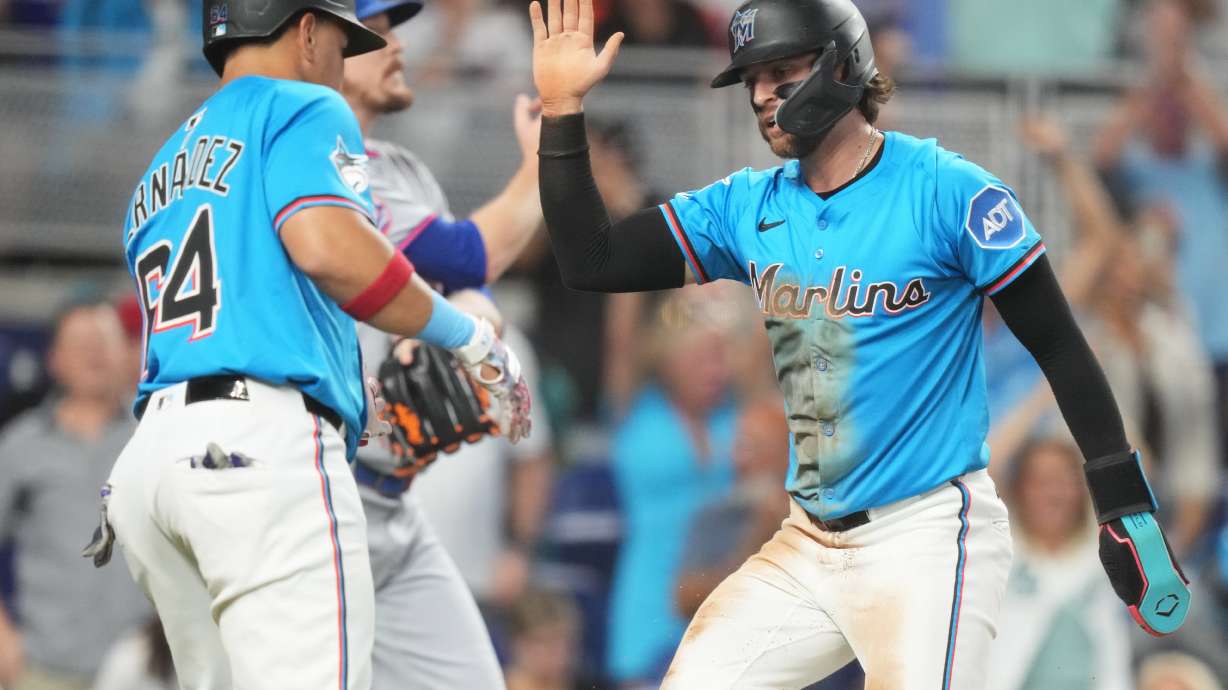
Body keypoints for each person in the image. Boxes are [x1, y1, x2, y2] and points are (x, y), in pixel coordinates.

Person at [527, 0, 1190, 686]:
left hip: (930, 535)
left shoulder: (947, 190)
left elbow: (1059, 346)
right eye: (752, 78)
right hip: (808, 540)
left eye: (781, 71)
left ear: (843, 67)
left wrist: (1123, 503)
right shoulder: (745, 206)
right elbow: (591, 259)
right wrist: (561, 108)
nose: (761, 95)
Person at [103, 1, 531, 688]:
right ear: (306, 31)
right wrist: (467, 334)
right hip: (259, 451)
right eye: (341, 37)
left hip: (151, 469)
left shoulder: (160, 165)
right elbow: (330, 248)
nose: (341, 57)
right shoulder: (302, 103)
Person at [341, 1, 549, 688]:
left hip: (394, 501)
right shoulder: (320, 172)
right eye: (375, 34)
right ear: (317, 52)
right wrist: (539, 166)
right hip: (323, 499)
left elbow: (470, 281)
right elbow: (467, 251)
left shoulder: (400, 165)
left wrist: (475, 311)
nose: (397, 45)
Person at [0, 299, 151, 690]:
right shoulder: (20, 445)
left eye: (104, 341)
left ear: (126, 352)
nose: (94, 355)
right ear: (54, 359)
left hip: (147, 667)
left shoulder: (154, 438)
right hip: (46, 667)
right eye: (80, 344)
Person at [986, 439, 1133, 690]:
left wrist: (1088, 406)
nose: (1053, 494)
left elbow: (1132, 471)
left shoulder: (1107, 552)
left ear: (1083, 489)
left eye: (1064, 481)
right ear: (1019, 488)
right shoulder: (998, 548)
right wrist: (1041, 400)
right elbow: (984, 469)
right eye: (1040, 482)